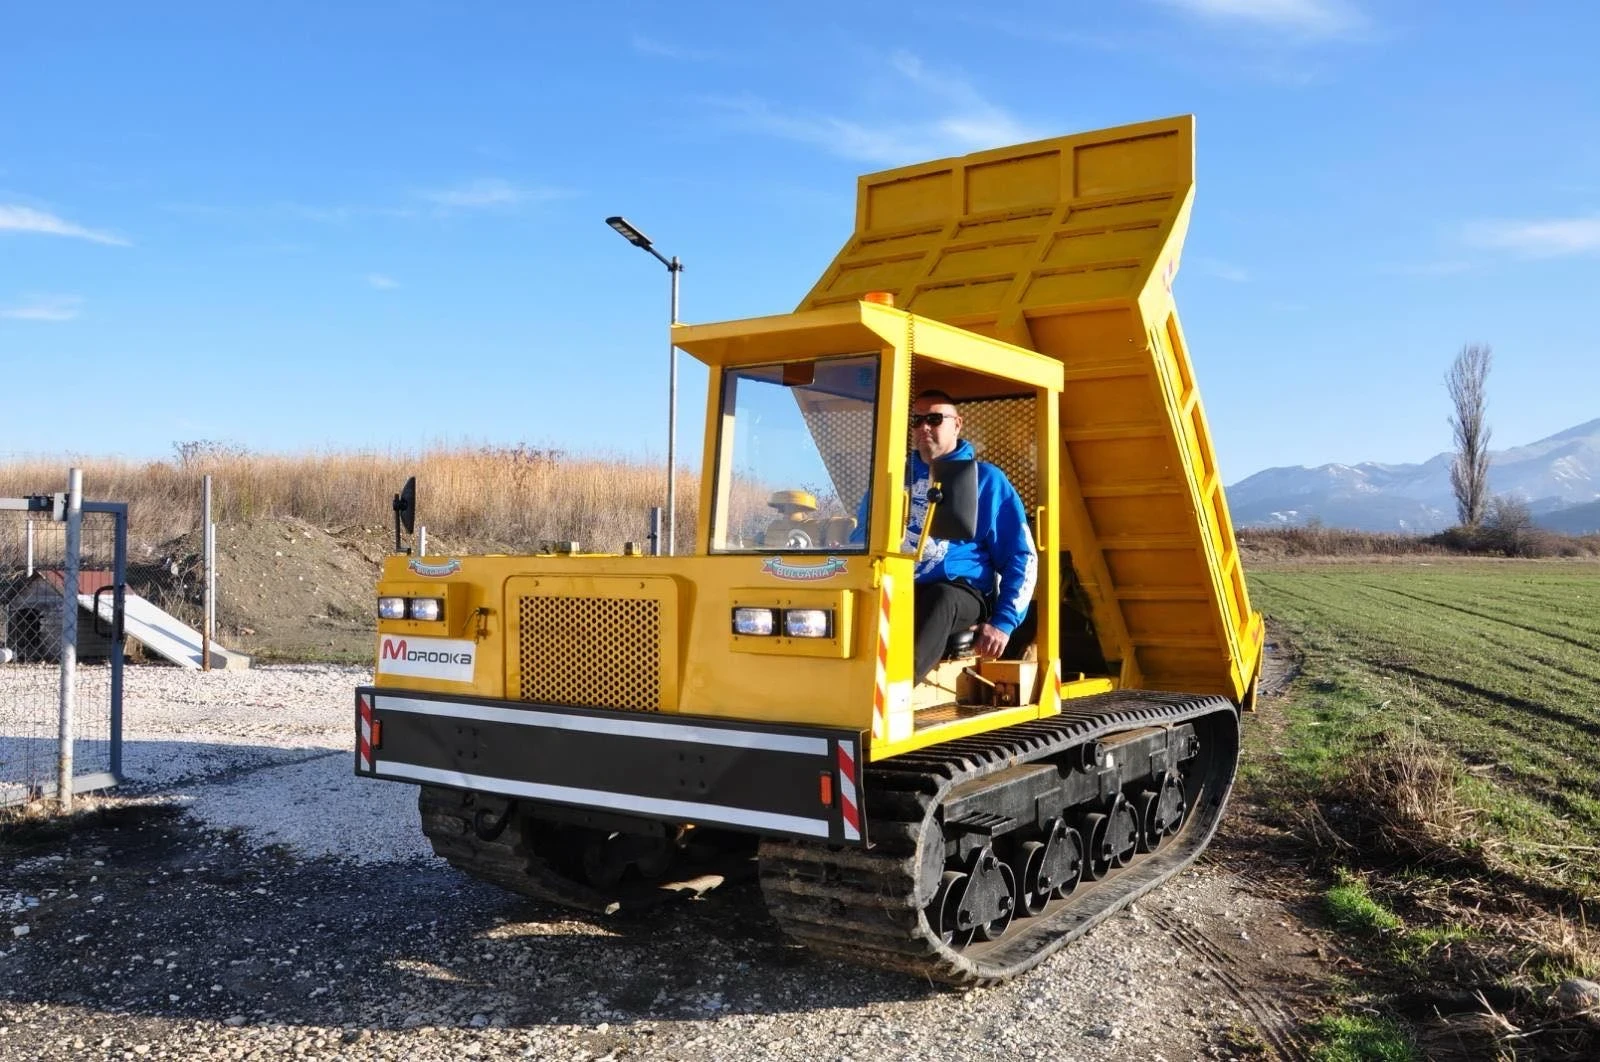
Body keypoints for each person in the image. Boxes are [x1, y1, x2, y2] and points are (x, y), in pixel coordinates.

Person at [903, 389, 1037, 684]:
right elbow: (860, 535)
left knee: (940, 599)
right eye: (917, 420)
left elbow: (1021, 556)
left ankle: (894, 691)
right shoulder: (892, 479)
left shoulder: (986, 479)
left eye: (934, 419)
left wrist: (1003, 623)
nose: (924, 427)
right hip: (902, 586)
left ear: (957, 424)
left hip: (961, 592)